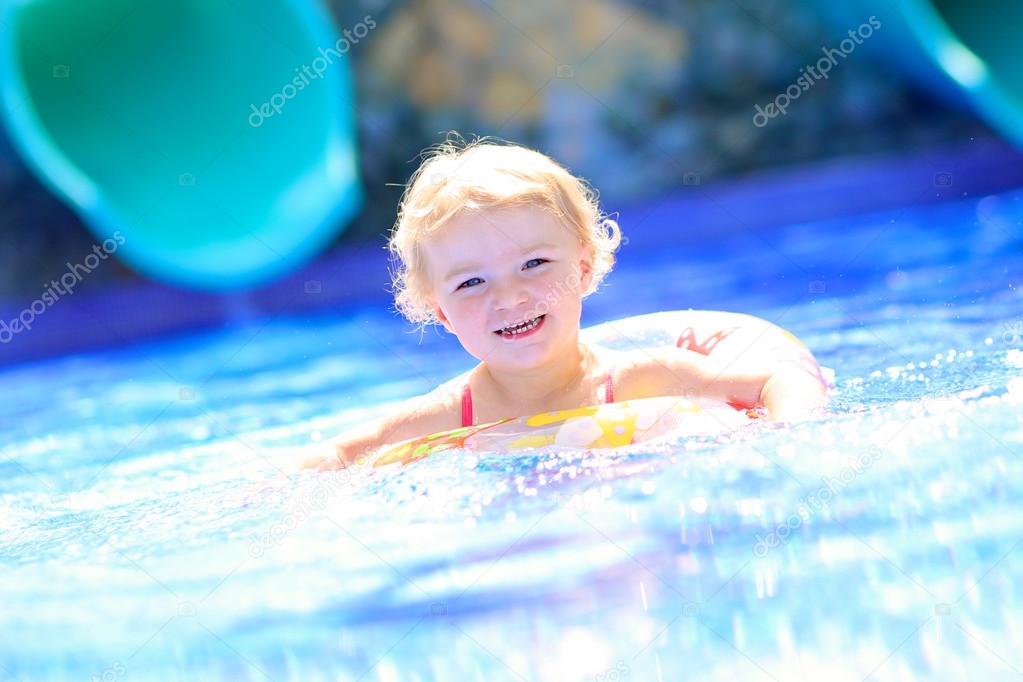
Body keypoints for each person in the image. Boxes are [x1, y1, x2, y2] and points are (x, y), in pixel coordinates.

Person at [303, 135, 828, 471]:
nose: (509, 296)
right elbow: (341, 453)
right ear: (440, 311)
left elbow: (776, 381)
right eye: (471, 283)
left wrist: (788, 441)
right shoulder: (451, 414)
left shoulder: (640, 380)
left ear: (581, 268)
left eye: (534, 264)